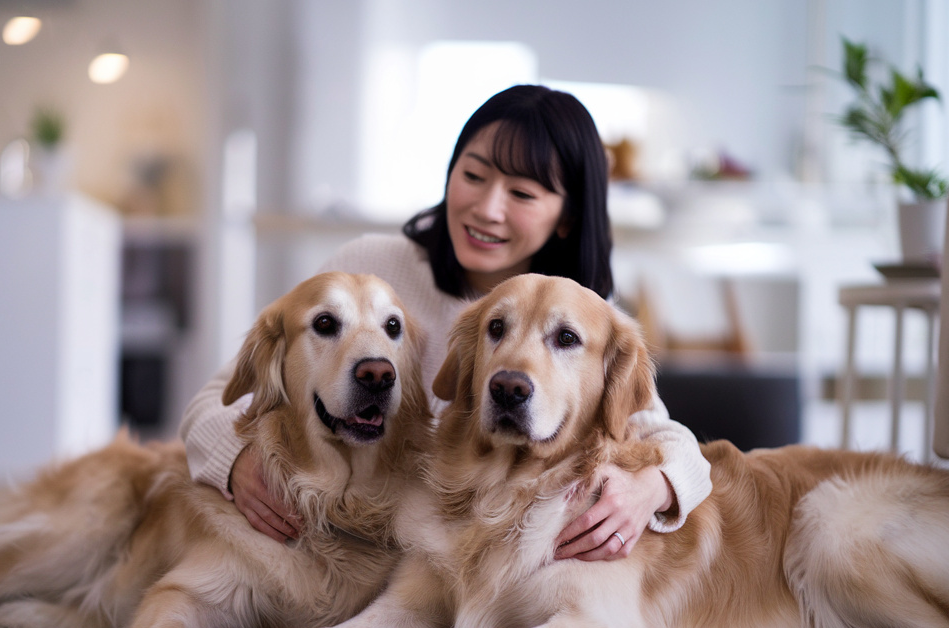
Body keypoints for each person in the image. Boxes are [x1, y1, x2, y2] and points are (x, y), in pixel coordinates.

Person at [181, 84, 712, 562]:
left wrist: (655, 489)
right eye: (473, 175)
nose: (486, 208)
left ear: (567, 216)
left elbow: (669, 438)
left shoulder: (581, 316)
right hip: (344, 540)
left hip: (443, 556)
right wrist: (236, 463)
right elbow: (216, 400)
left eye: (522, 194)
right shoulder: (370, 264)